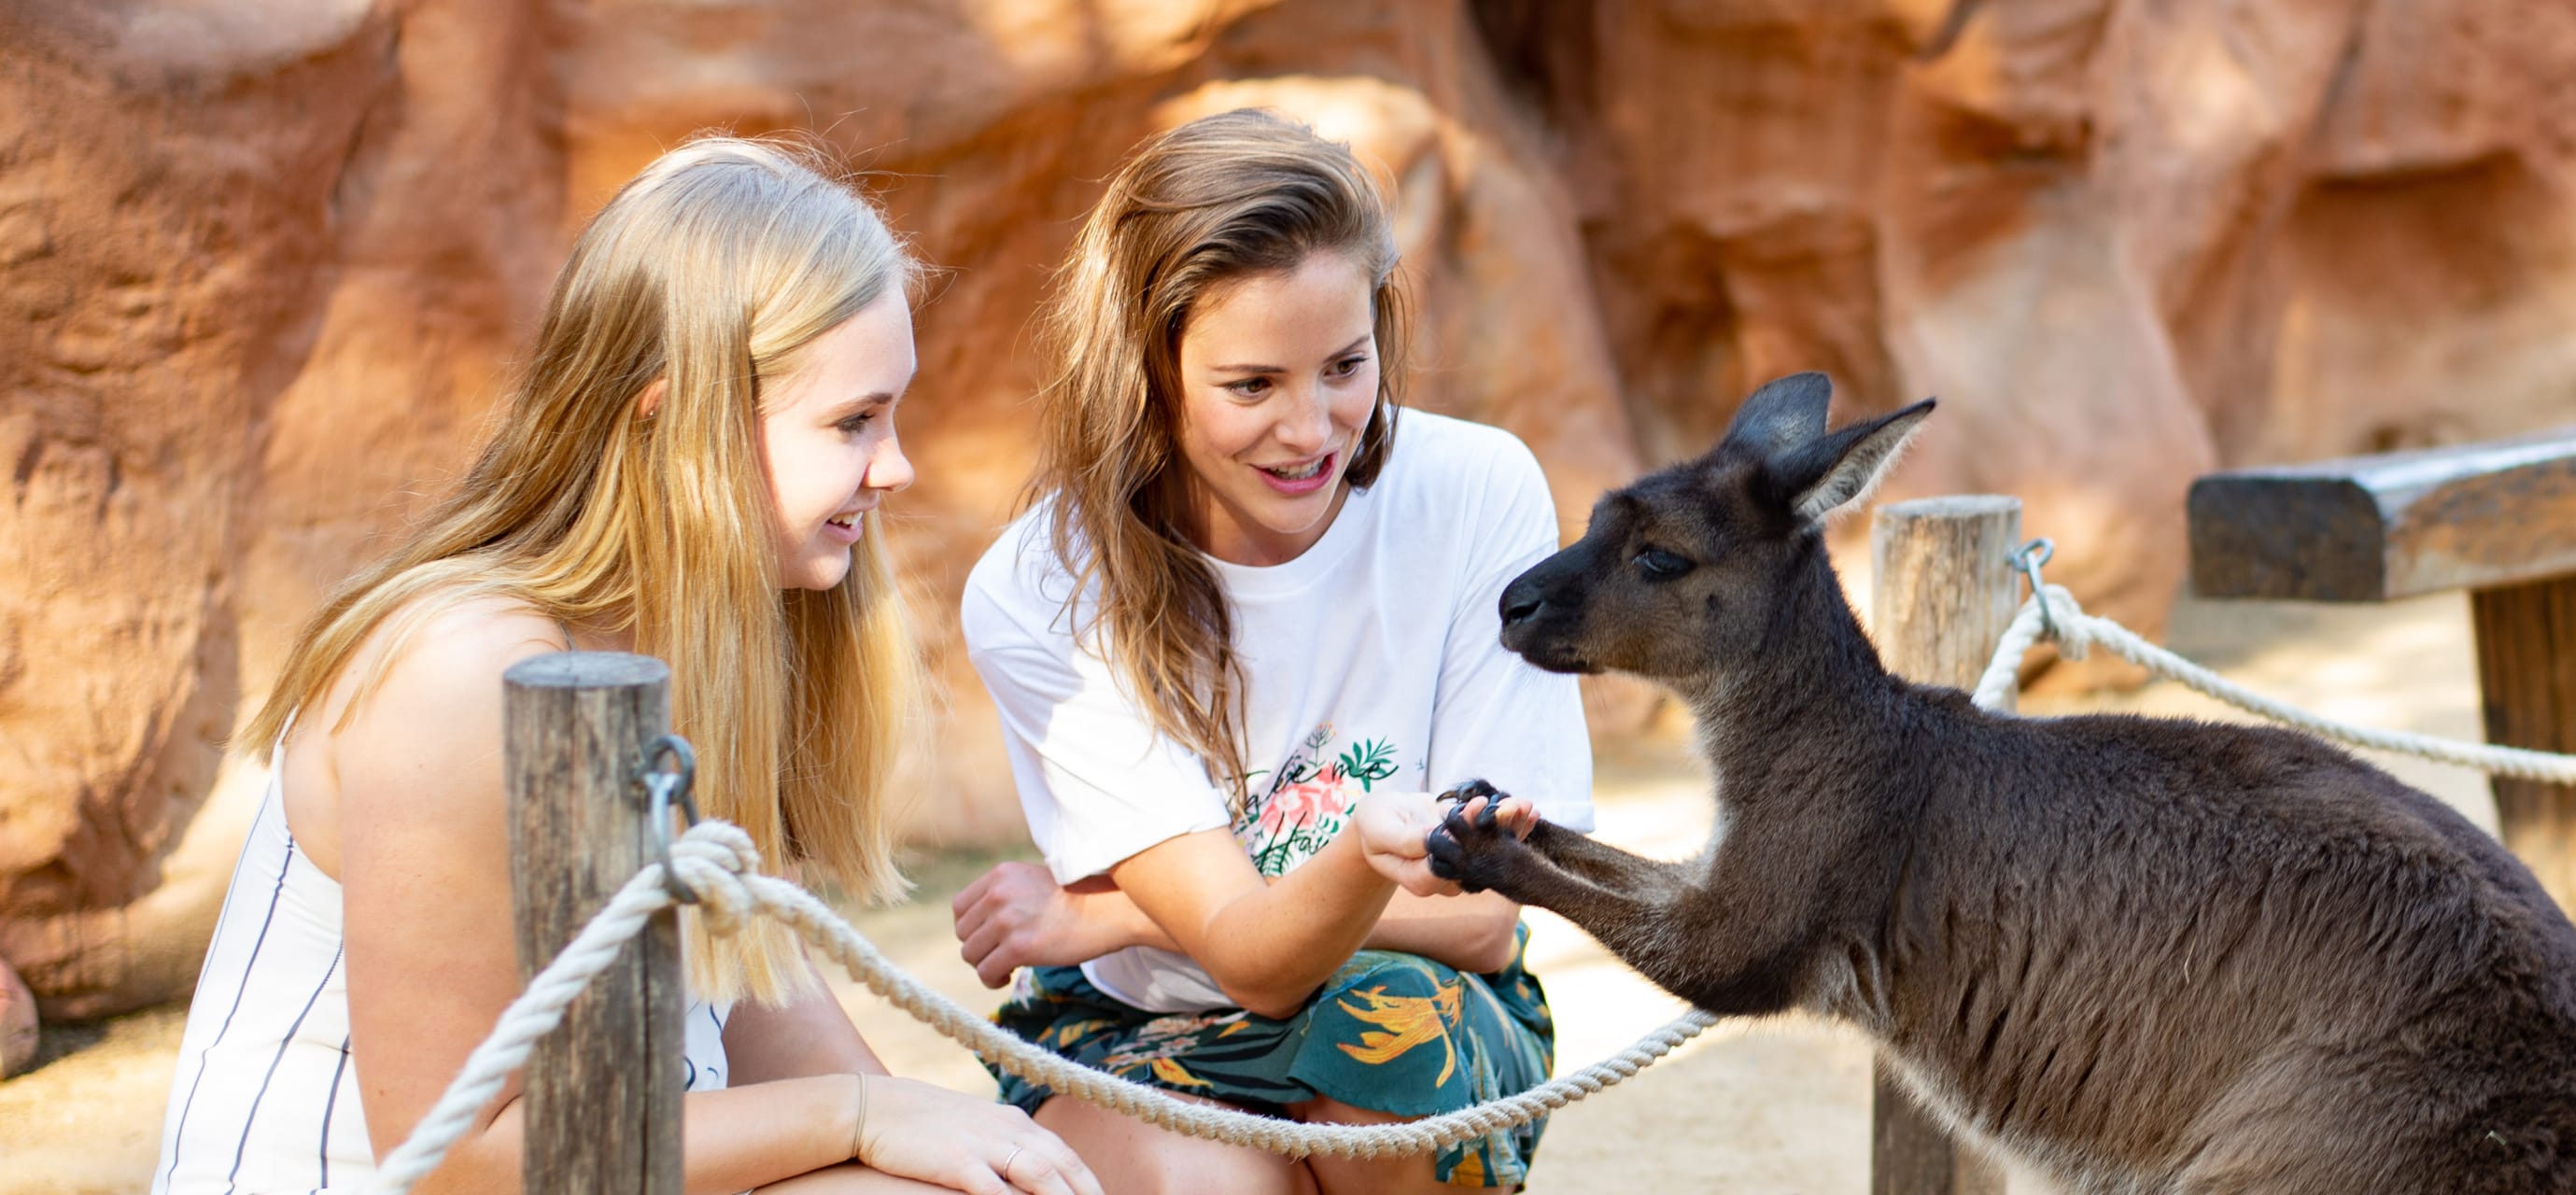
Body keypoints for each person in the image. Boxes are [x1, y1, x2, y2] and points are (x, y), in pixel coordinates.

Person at [151, 135, 1099, 1195]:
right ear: (674, 426)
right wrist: (859, 1112)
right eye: (851, 421)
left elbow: (796, 1047)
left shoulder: (689, 646)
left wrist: (932, 1141)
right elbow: (461, 1159)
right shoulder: (462, 674)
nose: (896, 464)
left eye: (891, 412)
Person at [946, 109, 1588, 1194]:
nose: (1311, 430)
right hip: (1140, 1018)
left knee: (1398, 1045)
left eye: (1345, 364)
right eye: (1252, 386)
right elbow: (1248, 954)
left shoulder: (1478, 491)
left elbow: (1484, 913)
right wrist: (1363, 853)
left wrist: (1101, 911)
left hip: (1409, 1012)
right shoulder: (1042, 583)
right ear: (1149, 371)